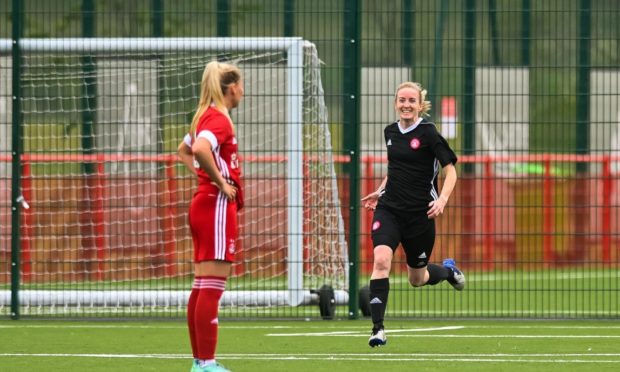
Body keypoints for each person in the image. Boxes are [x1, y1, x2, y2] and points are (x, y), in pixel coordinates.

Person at [361, 81, 465, 348]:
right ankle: (378, 329)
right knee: (381, 260)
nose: (406, 105)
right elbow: (396, 169)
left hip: (420, 216)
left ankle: (448, 271)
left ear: (420, 105)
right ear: (396, 103)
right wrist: (380, 190)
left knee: (417, 279)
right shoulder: (390, 132)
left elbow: (450, 170)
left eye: (411, 101)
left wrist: (442, 199)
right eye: (402, 100)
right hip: (389, 209)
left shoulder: (430, 134)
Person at [177, 61, 244, 372]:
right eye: (241, 85)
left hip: (203, 203)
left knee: (202, 283)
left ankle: (199, 361)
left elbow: (184, 150)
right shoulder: (219, 119)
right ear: (231, 88)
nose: (243, 91)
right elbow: (200, 148)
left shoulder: (203, 115)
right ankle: (206, 363)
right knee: (213, 285)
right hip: (215, 205)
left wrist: (205, 177)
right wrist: (218, 181)